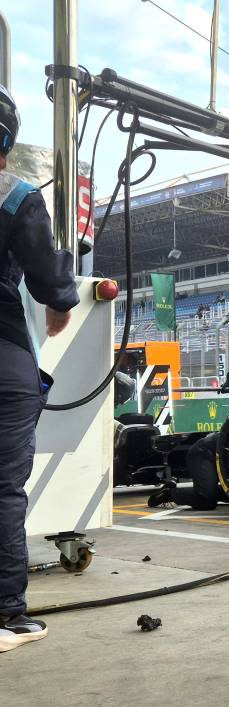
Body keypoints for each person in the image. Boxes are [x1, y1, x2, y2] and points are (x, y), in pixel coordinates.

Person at [0, 85, 79, 653]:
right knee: (3, 489)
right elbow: (49, 280)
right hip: (3, 359)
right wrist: (61, 299)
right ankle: (6, 617)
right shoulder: (17, 194)